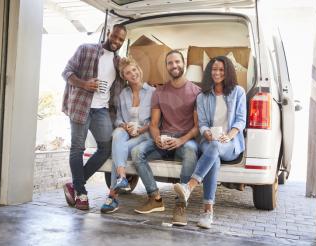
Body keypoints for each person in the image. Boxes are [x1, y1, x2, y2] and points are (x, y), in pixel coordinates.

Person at [173, 56, 246, 229]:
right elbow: (203, 123)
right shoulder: (203, 96)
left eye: (221, 69)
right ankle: (207, 212)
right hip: (210, 141)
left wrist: (229, 135)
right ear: (209, 72)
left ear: (227, 71)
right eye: (214, 69)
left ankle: (189, 186)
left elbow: (241, 120)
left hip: (230, 143)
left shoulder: (238, 92)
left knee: (215, 149)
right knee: (214, 157)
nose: (217, 73)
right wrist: (206, 133)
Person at [61, 24, 127, 210]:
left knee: (106, 148)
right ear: (108, 33)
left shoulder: (118, 62)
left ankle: (74, 184)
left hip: (102, 110)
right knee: (77, 148)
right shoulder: (86, 49)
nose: (116, 41)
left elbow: (124, 83)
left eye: (121, 39)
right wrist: (84, 84)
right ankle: (81, 193)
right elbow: (66, 72)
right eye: (114, 36)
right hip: (81, 105)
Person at [131, 50, 201, 226]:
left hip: (184, 140)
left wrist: (181, 140)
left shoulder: (196, 92)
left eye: (177, 62)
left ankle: (180, 204)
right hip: (164, 138)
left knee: (192, 151)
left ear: (183, 63)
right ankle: (154, 198)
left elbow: (197, 127)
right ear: (167, 66)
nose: (174, 65)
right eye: (170, 63)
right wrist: (157, 139)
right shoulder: (159, 92)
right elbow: (154, 124)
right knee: (137, 151)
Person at [100, 57, 155, 213]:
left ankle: (113, 196)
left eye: (134, 70)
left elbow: (156, 122)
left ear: (139, 70)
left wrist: (140, 130)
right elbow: (118, 119)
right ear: (124, 77)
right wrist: (124, 126)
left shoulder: (153, 92)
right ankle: (122, 178)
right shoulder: (123, 94)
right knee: (117, 133)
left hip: (145, 134)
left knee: (118, 150)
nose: (133, 74)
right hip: (127, 132)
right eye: (128, 73)